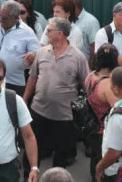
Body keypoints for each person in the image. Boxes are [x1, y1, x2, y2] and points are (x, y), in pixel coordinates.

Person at [24, 17, 88, 168]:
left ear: (60, 34)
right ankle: (28, 176)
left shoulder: (78, 57)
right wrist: (25, 99)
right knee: (33, 149)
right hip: (38, 111)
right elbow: (33, 78)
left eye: (49, 30)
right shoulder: (41, 52)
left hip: (64, 117)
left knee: (61, 155)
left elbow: (86, 85)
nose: (46, 33)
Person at [0, 0, 40, 96]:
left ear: (15, 18)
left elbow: (37, 53)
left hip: (14, 83)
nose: (0, 19)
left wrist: (33, 55)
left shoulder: (27, 32)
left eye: (4, 18)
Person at [85, 43, 120, 181]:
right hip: (104, 131)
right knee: (103, 164)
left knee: (94, 158)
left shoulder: (90, 76)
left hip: (92, 126)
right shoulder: (108, 84)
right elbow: (118, 109)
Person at [65, 0, 100, 65]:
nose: (64, 8)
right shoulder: (66, 19)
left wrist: (89, 69)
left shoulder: (91, 21)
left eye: (67, 6)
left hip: (83, 68)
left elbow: (95, 48)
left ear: (74, 5)